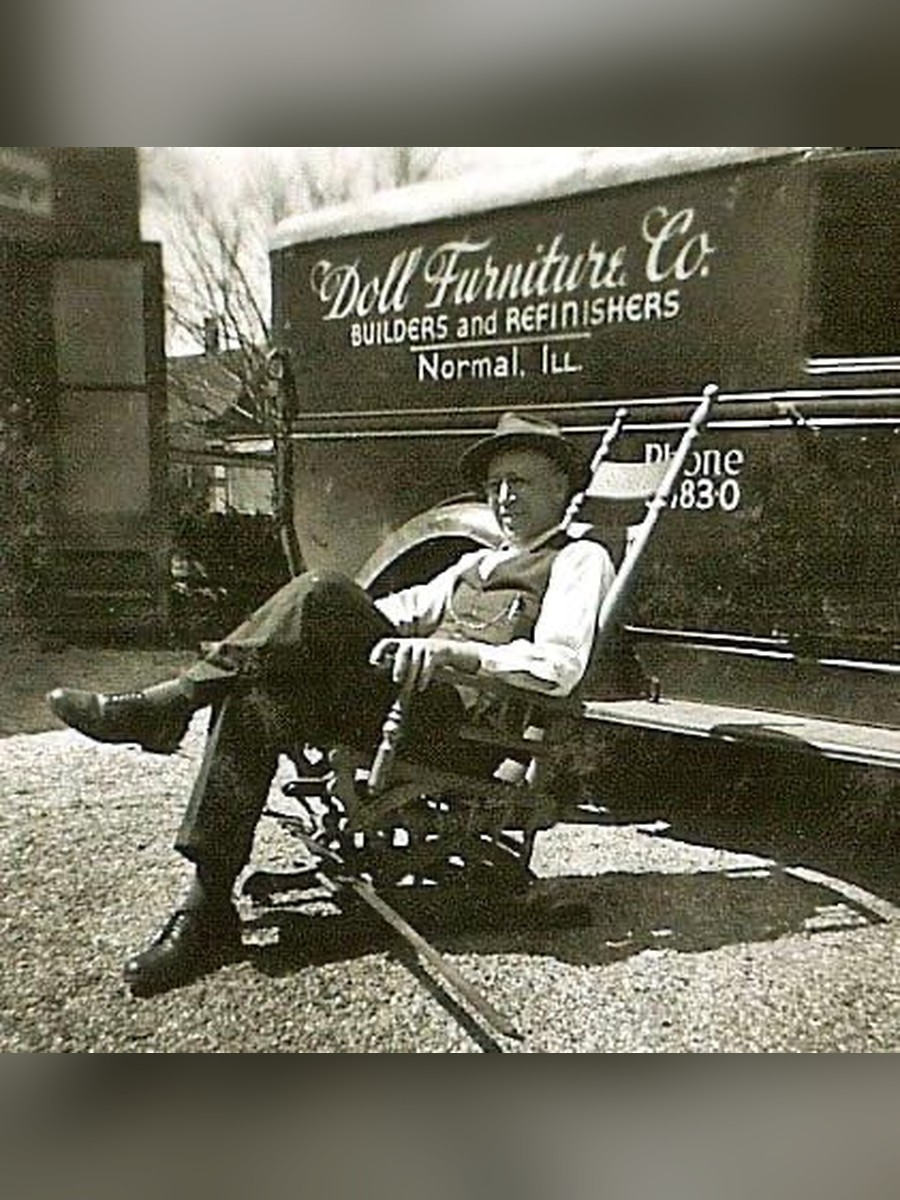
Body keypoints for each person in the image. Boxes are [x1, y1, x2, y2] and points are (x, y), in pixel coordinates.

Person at [48, 412, 645, 996]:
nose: (505, 496)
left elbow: (560, 667)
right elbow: (394, 610)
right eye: (495, 485)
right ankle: (207, 908)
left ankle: (172, 704)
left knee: (322, 589)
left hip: (470, 733)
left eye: (521, 482)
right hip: (415, 711)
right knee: (261, 689)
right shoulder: (474, 562)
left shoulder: (578, 558)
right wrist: (307, 630)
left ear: (563, 487)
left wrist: (454, 656)